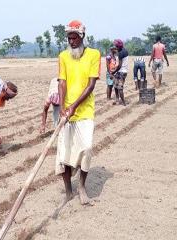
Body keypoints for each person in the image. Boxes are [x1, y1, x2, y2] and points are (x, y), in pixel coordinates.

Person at [57, 20, 100, 205]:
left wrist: (74, 105)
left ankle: (81, 187)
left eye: (74, 37)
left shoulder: (94, 55)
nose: (71, 41)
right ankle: (68, 191)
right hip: (67, 112)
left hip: (84, 111)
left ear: (82, 36)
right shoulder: (63, 56)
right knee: (64, 154)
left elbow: (91, 85)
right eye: (69, 38)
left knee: (87, 148)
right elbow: (62, 82)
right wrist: (62, 108)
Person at [112, 39, 129, 106]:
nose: (115, 47)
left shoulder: (121, 53)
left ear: (119, 46)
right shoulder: (125, 51)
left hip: (121, 72)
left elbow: (119, 65)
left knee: (119, 87)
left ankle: (123, 102)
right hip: (123, 71)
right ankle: (117, 100)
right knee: (115, 86)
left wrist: (114, 71)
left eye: (116, 46)